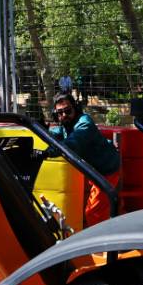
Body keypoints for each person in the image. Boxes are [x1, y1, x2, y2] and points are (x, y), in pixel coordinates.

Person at [49, 92, 121, 227]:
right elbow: (55, 132)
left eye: (68, 111)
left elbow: (74, 141)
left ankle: (101, 245)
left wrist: (53, 150)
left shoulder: (84, 123)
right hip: (91, 171)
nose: (64, 115)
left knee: (93, 213)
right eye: (60, 113)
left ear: (75, 109)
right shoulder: (65, 126)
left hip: (105, 171)